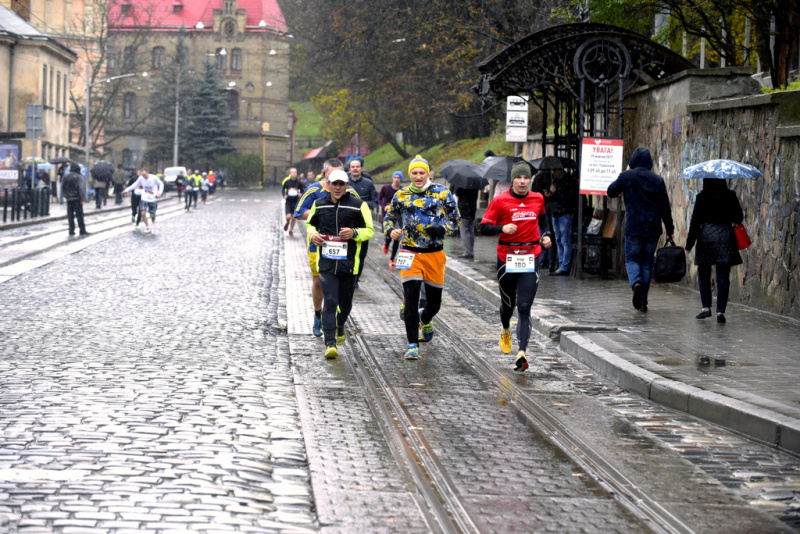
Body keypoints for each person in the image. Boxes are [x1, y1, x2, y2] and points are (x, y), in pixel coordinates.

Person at [383, 155, 461, 360]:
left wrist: (443, 229)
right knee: (411, 298)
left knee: (434, 304)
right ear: (410, 175)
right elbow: (389, 217)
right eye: (414, 173)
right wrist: (391, 230)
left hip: (434, 254)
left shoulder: (442, 192)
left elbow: (455, 219)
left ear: (428, 174)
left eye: (422, 173)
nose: (418, 176)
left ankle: (425, 319)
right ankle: (412, 344)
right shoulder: (401, 194)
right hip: (409, 253)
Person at [481, 162, 551, 372]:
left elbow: (544, 221)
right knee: (508, 305)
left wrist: (546, 236)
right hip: (507, 257)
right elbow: (484, 227)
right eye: (519, 178)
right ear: (513, 180)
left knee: (524, 306)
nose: (522, 182)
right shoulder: (500, 201)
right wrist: (502, 227)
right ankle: (505, 329)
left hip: (531, 257)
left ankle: (522, 353)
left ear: (530, 180)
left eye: (526, 178)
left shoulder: (538, 198)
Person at [306, 169, 374, 359]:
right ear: (327, 184)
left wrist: (354, 233)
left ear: (346, 186)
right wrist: (313, 235)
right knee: (330, 301)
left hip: (350, 264)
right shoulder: (319, 205)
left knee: (344, 304)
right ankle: (330, 344)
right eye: (333, 184)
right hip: (327, 264)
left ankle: (341, 324)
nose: (337, 188)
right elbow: (310, 224)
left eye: (341, 184)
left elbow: (370, 230)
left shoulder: (358, 205)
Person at [295, 159, 360, 337]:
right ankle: (318, 315)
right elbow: (298, 212)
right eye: (332, 176)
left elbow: (362, 216)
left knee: (339, 288)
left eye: (340, 176)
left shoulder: (351, 192)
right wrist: (321, 213)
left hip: (345, 248)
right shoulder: (315, 190)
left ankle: (336, 319)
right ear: (324, 175)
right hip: (319, 245)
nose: (336, 181)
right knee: (318, 282)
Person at [607, 147, 675, 312]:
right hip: (653, 228)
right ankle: (643, 302)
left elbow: (610, 192)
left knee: (631, 260)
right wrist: (670, 229)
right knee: (646, 263)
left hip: (634, 227)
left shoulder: (626, 177)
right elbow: (665, 207)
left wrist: (625, 173)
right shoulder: (657, 180)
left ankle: (636, 283)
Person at [685, 179, 743, 324]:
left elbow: (695, 223)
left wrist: (689, 245)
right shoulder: (730, 196)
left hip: (706, 237)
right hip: (725, 237)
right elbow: (739, 218)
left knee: (704, 273)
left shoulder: (702, 197)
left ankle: (706, 308)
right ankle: (720, 311)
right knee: (723, 275)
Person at [347, 157, 378, 289]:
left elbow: (375, 202)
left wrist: (365, 204)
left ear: (361, 168)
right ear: (349, 169)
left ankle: (355, 279)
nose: (355, 168)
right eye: (353, 166)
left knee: (361, 253)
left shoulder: (368, 183)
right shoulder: (344, 182)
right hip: (347, 221)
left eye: (357, 166)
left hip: (363, 222)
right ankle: (346, 276)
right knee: (348, 251)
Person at [547, 168, 579, 275]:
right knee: (558, 240)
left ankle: (564, 266)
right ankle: (561, 265)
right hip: (556, 212)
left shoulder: (569, 181)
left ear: (560, 170)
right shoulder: (556, 181)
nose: (553, 172)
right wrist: (550, 193)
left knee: (564, 240)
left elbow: (568, 198)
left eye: (555, 170)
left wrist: (554, 193)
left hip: (565, 212)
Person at [123, 169, 163, 234]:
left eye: (144, 175)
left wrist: (159, 193)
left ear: (147, 172)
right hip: (144, 198)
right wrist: (127, 190)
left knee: (152, 215)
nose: (143, 177)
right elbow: (135, 185)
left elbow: (161, 184)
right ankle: (147, 227)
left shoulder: (154, 178)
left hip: (153, 198)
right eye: (142, 175)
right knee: (142, 213)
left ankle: (153, 215)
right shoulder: (141, 178)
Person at [379, 171, 403, 269]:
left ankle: (392, 258)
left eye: (398, 178)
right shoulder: (385, 188)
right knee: (388, 234)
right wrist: (384, 206)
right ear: (393, 178)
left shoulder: (402, 190)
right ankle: (386, 243)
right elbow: (379, 199)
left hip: (398, 217)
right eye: (395, 177)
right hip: (387, 216)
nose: (396, 179)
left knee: (397, 236)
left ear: (400, 179)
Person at [61, 163, 89, 236]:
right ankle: (82, 230)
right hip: (77, 198)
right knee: (79, 215)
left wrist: (65, 195)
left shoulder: (66, 176)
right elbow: (82, 188)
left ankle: (71, 230)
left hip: (69, 199)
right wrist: (82, 198)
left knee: (70, 215)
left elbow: (62, 186)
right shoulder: (79, 177)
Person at [454, 186, 479, 259]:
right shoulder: (475, 184)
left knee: (464, 230)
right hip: (472, 209)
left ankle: (469, 251)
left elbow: (457, 192)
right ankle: (471, 250)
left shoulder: (463, 184)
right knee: (470, 230)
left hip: (464, 210)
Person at [282, 168, 305, 236]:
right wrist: (284, 195)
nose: (294, 173)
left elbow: (303, 189)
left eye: (295, 172)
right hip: (288, 202)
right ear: (290, 174)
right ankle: (287, 223)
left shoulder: (299, 182)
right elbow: (283, 189)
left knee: (294, 217)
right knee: (288, 217)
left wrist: (301, 194)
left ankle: (291, 230)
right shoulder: (287, 182)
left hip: (296, 202)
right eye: (292, 172)